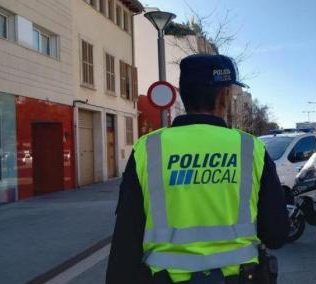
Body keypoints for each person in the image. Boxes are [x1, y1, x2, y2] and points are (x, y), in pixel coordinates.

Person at [106, 54, 289, 283]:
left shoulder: (148, 149)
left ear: (183, 93)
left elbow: (125, 243)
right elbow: (277, 233)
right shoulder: (251, 149)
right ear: (224, 95)